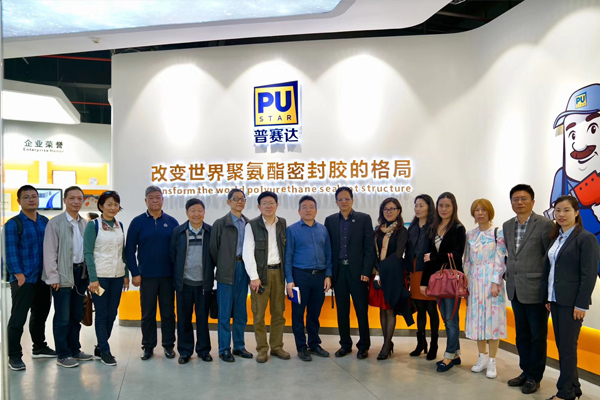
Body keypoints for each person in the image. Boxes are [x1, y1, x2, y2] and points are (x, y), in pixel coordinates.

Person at [542, 195, 599, 400]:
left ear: (576, 212)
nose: (561, 214)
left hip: (572, 303)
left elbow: (589, 274)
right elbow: (552, 270)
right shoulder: (556, 238)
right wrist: (548, 297)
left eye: (566, 210)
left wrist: (581, 304)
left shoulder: (585, 238)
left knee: (567, 349)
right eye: (558, 210)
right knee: (564, 347)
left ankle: (564, 393)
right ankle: (574, 388)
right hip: (556, 301)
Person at [503, 184, 554, 394]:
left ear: (532, 202)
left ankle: (535, 376)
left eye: (524, 198)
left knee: (537, 336)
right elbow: (510, 255)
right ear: (511, 203)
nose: (519, 202)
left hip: (535, 289)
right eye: (515, 199)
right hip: (515, 288)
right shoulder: (507, 225)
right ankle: (525, 371)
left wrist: (548, 291)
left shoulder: (545, 224)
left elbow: (549, 258)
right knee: (521, 335)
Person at [5, 185, 55, 371]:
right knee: (18, 319)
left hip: (43, 278)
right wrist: (18, 275)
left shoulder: (44, 221)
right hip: (24, 279)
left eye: (34, 196)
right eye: (26, 197)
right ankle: (14, 356)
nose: (31, 199)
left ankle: (39, 347)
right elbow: (9, 252)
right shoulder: (13, 224)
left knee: (40, 315)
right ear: (19, 201)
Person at [125, 186, 179, 361]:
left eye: (158, 197)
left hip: (168, 277)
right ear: (145, 201)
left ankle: (169, 345)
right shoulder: (137, 222)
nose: (155, 200)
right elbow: (129, 250)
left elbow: (178, 250)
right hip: (146, 277)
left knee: (168, 313)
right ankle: (148, 346)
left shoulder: (172, 222)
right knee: (148, 313)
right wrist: (135, 272)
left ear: (163, 200)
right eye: (151, 198)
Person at [43, 186, 94, 368]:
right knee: (63, 317)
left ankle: (75, 350)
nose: (76, 202)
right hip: (63, 273)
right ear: (65, 200)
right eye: (72, 198)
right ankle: (63, 354)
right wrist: (53, 277)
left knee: (76, 314)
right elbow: (49, 251)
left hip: (81, 274)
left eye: (79, 198)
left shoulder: (85, 224)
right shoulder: (55, 223)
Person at [324, 187, 375, 360]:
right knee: (342, 311)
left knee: (361, 310)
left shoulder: (364, 219)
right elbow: (328, 249)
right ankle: (345, 344)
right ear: (336, 202)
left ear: (352, 200)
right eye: (340, 199)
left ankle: (364, 346)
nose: (343, 202)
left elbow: (369, 248)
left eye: (347, 198)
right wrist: (329, 274)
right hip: (339, 272)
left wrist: (366, 271)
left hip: (358, 273)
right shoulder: (330, 220)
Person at [420, 192, 466, 372]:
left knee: (451, 320)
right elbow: (426, 259)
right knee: (446, 319)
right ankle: (456, 354)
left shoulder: (458, 228)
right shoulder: (433, 227)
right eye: (441, 205)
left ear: (454, 207)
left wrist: (434, 256)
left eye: (447, 205)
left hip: (452, 281)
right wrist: (424, 282)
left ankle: (448, 356)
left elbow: (457, 255)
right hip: (438, 281)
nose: (444, 209)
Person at [242, 191, 290, 363]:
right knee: (259, 315)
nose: (268, 206)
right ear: (259, 206)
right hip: (260, 275)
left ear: (277, 205)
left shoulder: (282, 223)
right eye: (264, 203)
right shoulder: (252, 225)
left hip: (279, 273)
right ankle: (262, 349)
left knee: (279, 313)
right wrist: (254, 277)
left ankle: (277, 346)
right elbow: (247, 252)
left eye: (271, 203)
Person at [84, 191, 130, 366]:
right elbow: (88, 253)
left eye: (116, 204)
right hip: (100, 278)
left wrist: (126, 275)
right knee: (102, 314)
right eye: (109, 204)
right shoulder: (93, 225)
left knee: (112, 313)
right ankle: (104, 350)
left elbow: (123, 253)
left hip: (117, 276)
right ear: (101, 206)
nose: (113, 207)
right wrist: (93, 278)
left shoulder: (120, 225)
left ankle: (100, 346)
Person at [285, 195, 332, 362]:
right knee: (297, 313)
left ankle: (314, 343)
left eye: (311, 207)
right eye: (304, 207)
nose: (308, 210)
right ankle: (301, 347)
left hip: (319, 277)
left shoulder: (323, 230)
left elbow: (328, 253)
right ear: (299, 211)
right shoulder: (292, 230)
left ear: (316, 210)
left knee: (314, 313)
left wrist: (328, 275)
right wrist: (289, 280)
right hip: (299, 277)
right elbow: (288, 256)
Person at [464, 199, 507, 379]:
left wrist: (496, 282)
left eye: (483, 210)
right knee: (478, 321)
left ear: (490, 212)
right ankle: (482, 357)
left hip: (491, 281)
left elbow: (501, 258)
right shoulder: (470, 234)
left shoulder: (498, 232)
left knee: (492, 320)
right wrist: (466, 283)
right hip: (475, 281)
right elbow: (467, 260)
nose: (480, 213)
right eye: (477, 210)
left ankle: (492, 361)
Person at [209, 189, 252, 362]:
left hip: (244, 270)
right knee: (225, 312)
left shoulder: (249, 224)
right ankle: (224, 349)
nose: (239, 201)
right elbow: (214, 249)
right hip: (226, 271)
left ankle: (239, 346)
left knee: (241, 312)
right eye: (235, 199)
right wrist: (224, 264)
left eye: (242, 199)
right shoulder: (221, 223)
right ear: (228, 202)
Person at [171, 198, 214, 364]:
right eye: (193, 211)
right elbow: (173, 255)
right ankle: (185, 351)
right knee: (184, 320)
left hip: (204, 284)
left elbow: (215, 255)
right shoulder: (178, 232)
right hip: (184, 283)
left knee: (202, 319)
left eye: (199, 210)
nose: (196, 214)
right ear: (187, 213)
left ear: (204, 212)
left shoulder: (210, 231)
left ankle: (204, 350)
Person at [371, 197, 409, 360]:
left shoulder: (402, 231)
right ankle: (386, 342)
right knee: (382, 308)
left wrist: (383, 270)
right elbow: (373, 252)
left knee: (390, 308)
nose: (389, 212)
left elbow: (398, 254)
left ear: (398, 211)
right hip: (379, 274)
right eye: (386, 209)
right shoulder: (378, 230)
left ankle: (387, 345)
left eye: (392, 209)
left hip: (393, 274)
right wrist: (378, 270)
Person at [405, 194, 439, 360]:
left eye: (421, 205)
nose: (417, 209)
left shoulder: (434, 227)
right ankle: (421, 343)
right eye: (416, 205)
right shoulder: (412, 227)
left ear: (429, 207)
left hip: (429, 272)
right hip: (414, 271)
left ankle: (434, 345)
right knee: (419, 309)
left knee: (431, 309)